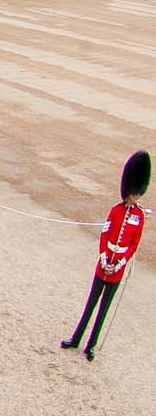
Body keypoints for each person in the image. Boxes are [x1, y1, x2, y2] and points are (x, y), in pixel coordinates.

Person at [61, 150, 148, 360]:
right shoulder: (116, 210)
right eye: (133, 193)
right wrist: (104, 258)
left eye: (137, 194)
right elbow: (105, 235)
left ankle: (91, 345)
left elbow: (133, 245)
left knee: (103, 310)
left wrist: (118, 264)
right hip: (104, 263)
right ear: (127, 191)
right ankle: (76, 338)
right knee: (90, 304)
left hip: (117, 269)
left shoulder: (139, 216)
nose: (135, 197)